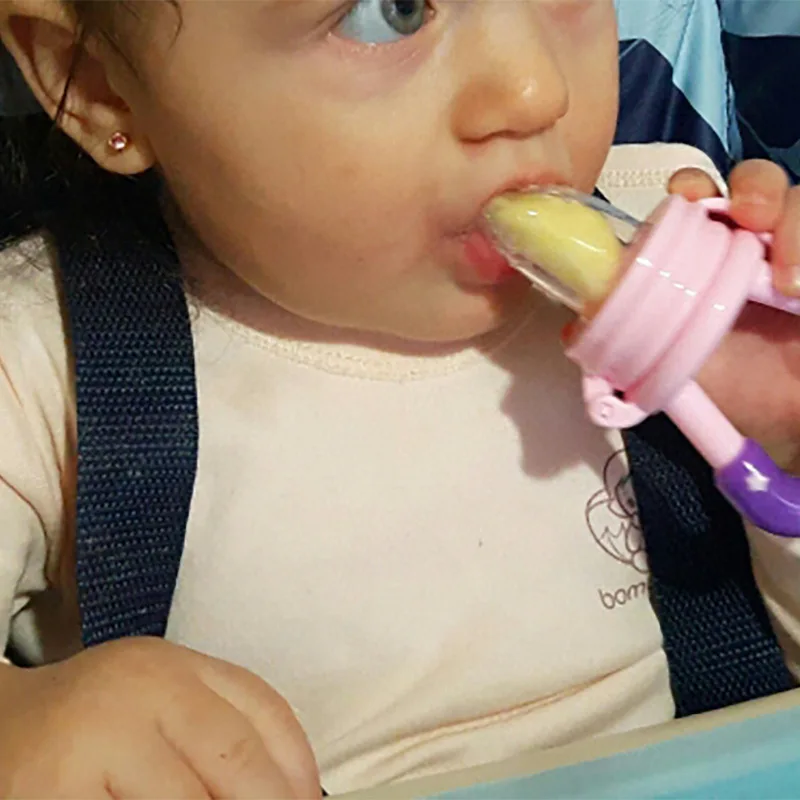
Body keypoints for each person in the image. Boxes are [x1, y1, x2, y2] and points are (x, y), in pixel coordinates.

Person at [0, 0, 799, 796]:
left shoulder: (689, 256)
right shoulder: (44, 353)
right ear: (102, 85)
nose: (535, 91)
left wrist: (782, 436)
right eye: (391, 12)